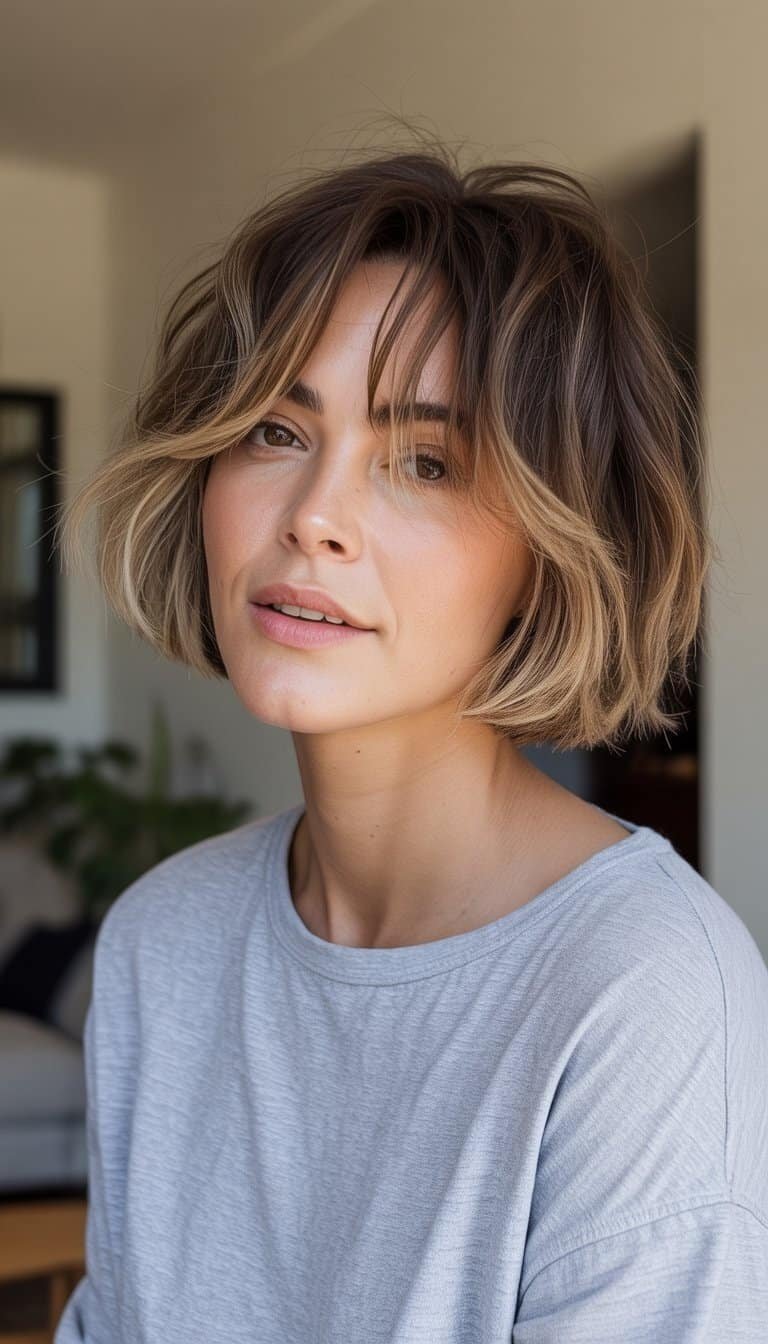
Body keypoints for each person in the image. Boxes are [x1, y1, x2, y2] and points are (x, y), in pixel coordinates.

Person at [54, 139, 768, 1342]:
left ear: (555, 549)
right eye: (276, 431)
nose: (314, 518)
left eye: (424, 461)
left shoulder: (643, 991)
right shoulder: (161, 943)